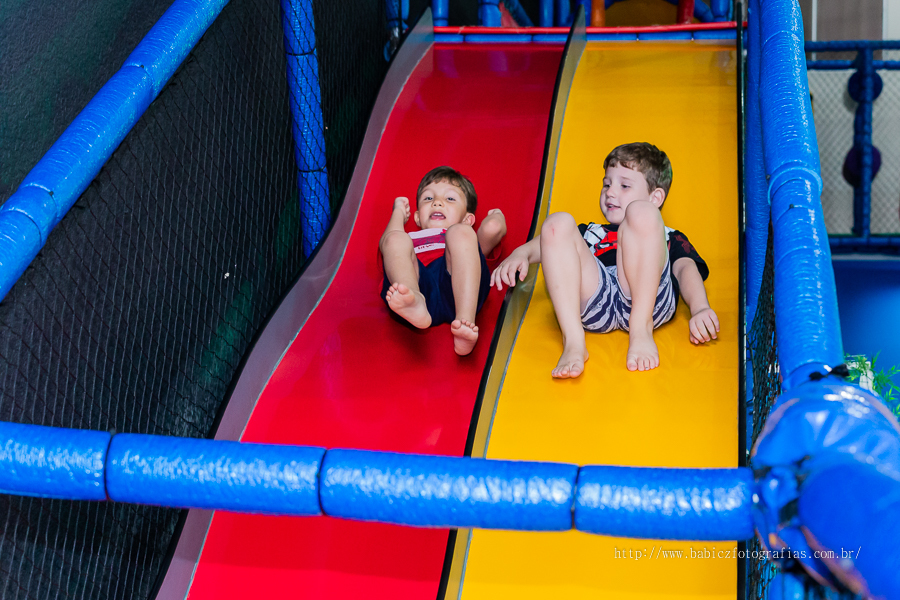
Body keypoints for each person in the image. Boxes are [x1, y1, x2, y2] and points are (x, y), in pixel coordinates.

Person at [490, 142, 718, 376]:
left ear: (655, 196)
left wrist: (700, 307)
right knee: (557, 224)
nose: (610, 192)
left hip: (647, 301)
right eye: (607, 184)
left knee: (642, 215)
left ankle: (641, 329)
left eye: (624, 185)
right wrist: (522, 253)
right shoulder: (591, 231)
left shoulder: (667, 235)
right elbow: (551, 246)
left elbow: (685, 269)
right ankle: (573, 340)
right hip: (597, 301)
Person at [380, 166, 507, 356]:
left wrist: (496, 216)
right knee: (394, 240)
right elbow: (387, 242)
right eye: (428, 198)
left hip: (458, 290)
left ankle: (465, 322)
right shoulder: (410, 237)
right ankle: (414, 300)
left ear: (468, 218)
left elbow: (494, 229)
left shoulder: (465, 235)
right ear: (416, 217)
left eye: (450, 199)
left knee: (460, 233)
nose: (437, 203)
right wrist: (398, 212)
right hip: (418, 285)